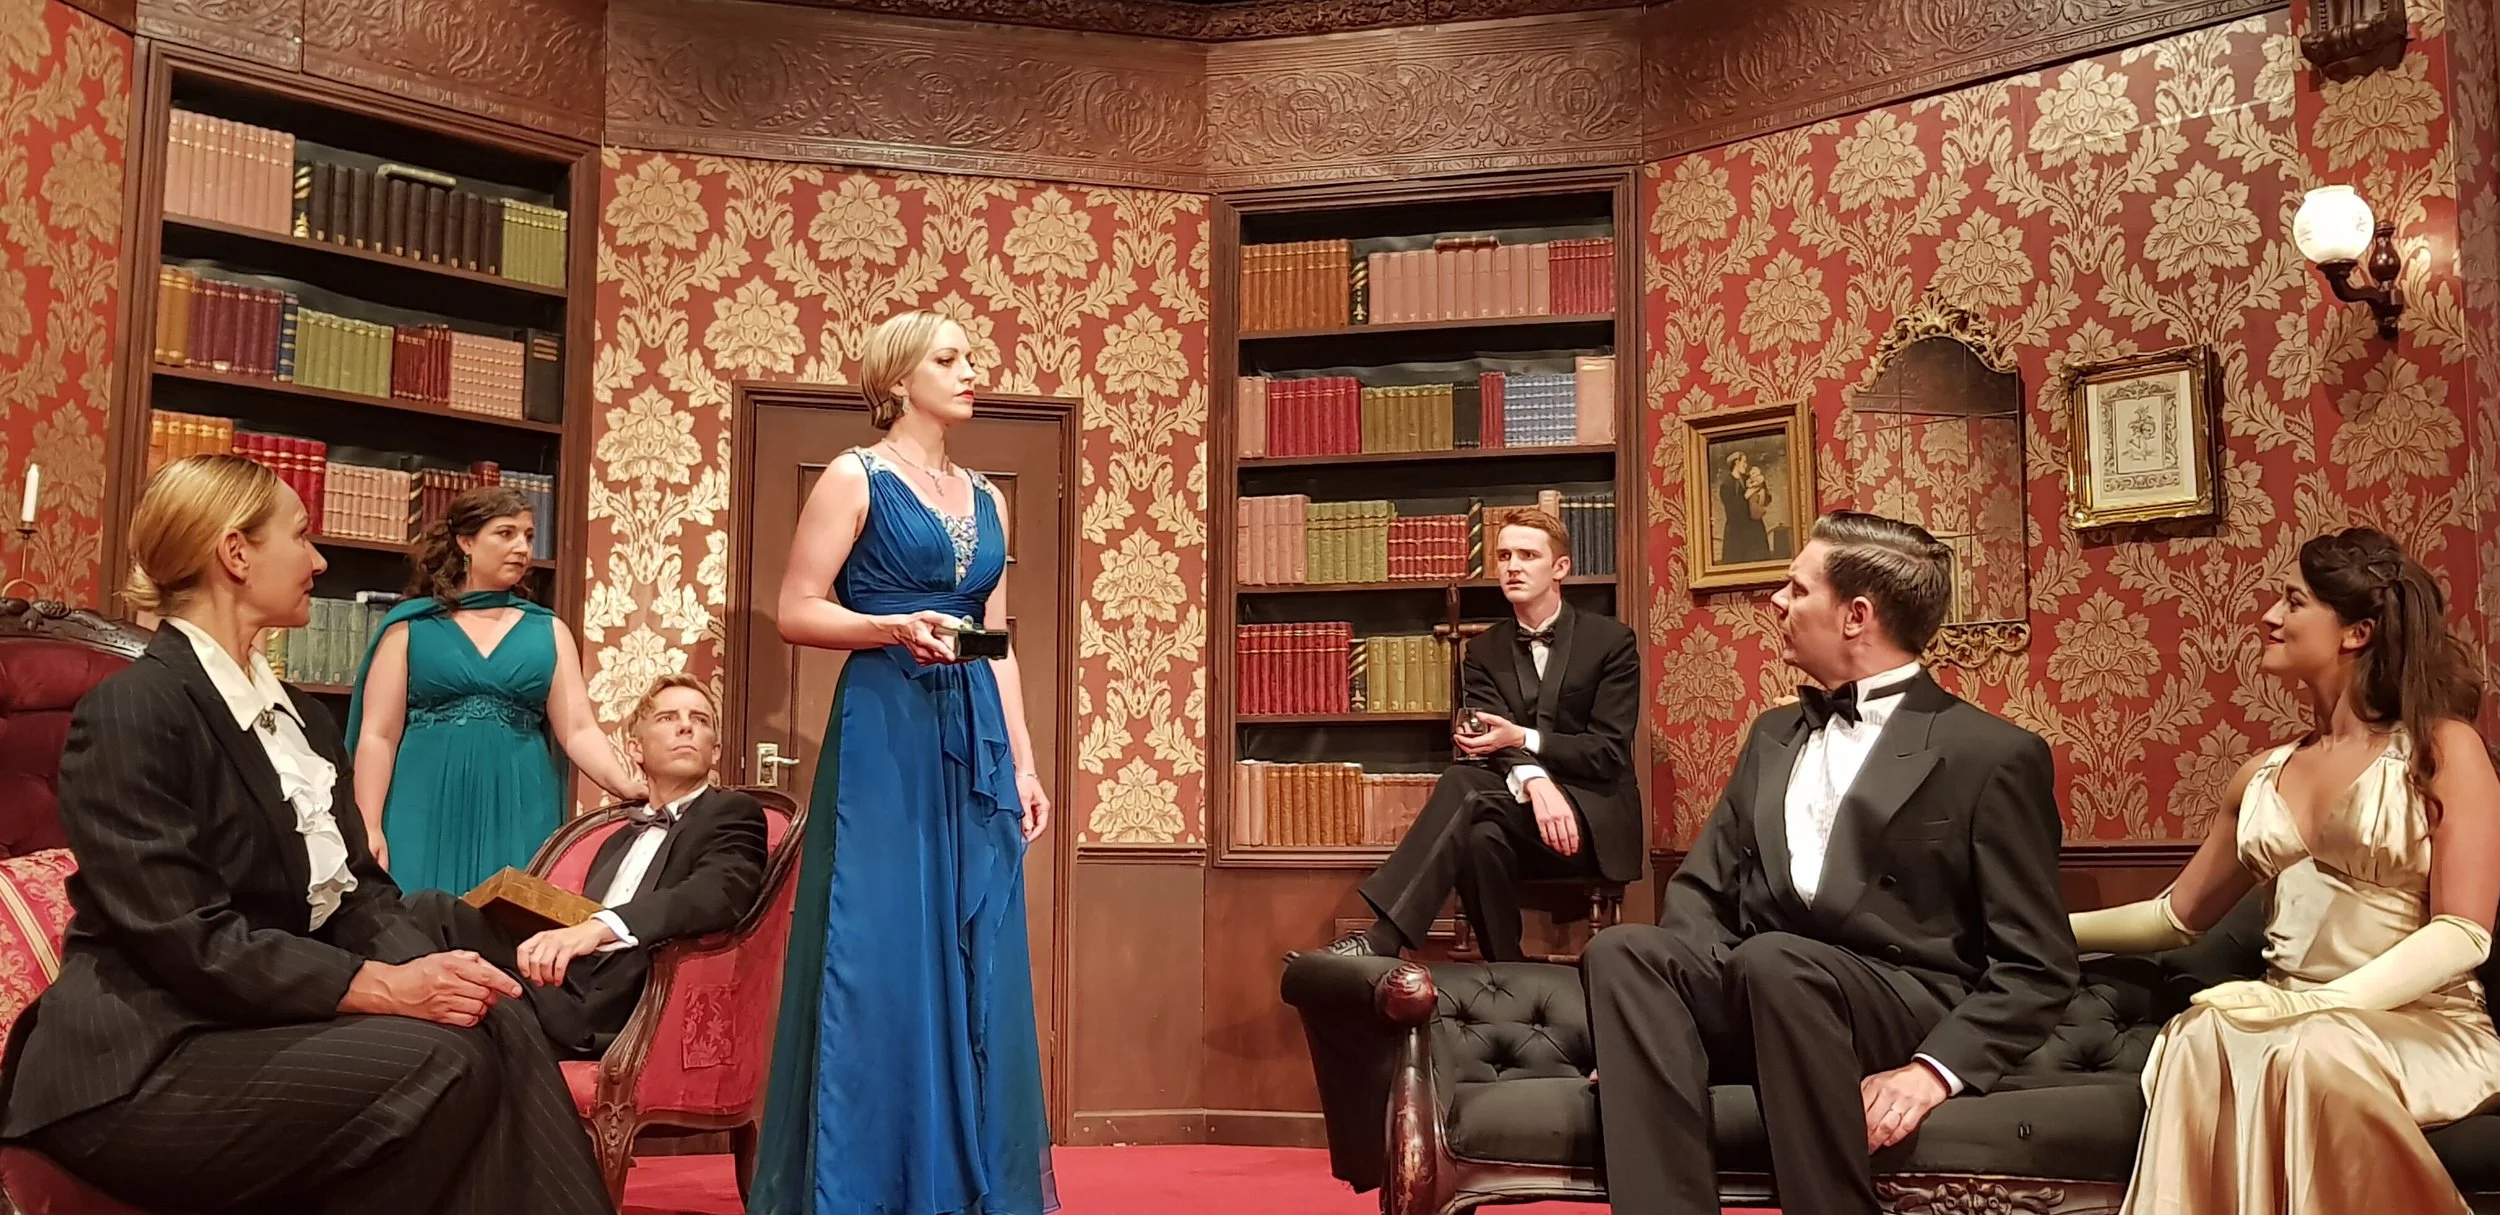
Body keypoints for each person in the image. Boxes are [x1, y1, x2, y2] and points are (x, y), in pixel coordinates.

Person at [0, 454, 609, 1214]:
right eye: (301, 536)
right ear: (235, 553)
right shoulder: (135, 709)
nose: (318, 560)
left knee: (489, 1013)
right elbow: (186, 936)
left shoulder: (303, 719)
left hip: (257, 1025)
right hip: (140, 1060)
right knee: (444, 1058)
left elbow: (362, 897)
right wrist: (382, 986)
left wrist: (438, 975)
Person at [1584, 510, 2076, 1215]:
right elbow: (1700, 890)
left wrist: (1934, 1071)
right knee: (1623, 951)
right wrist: (1655, 1029)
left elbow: (2038, 965)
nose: (1776, 601)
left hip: (1896, 1004)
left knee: (1776, 961)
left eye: (1797, 588)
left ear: (1857, 615)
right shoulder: (1773, 734)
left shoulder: (1991, 755)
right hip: (1763, 987)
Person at [2073, 528, 2500, 1215]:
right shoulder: (2259, 775)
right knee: (2202, 1033)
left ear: (2357, 632)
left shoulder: (2443, 749)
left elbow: (2463, 933)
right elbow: (2175, 917)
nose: (2269, 616)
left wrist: (2314, 1006)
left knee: (2312, 1052)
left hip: (2419, 1025)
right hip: (2287, 1021)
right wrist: (2048, 927)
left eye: (2293, 602)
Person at [750, 309, 1057, 1215]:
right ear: (897, 379)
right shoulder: (855, 476)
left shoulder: (989, 496)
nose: (972, 370)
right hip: (885, 726)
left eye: (970, 357)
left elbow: (997, 641)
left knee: (972, 947)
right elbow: (795, 608)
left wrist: (1026, 765)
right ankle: (868, 1183)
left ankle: (961, 1180)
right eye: (949, 358)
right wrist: (889, 626)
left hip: (974, 735)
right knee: (880, 945)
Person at [1327, 510, 1642, 962]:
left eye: (1528, 555)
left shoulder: (1612, 642)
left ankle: (1383, 938)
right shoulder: (1483, 651)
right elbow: (1487, 740)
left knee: (1463, 783)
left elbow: (1607, 752)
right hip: (1522, 814)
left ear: (1560, 568)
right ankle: (1507, 971)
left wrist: (1523, 739)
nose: (1513, 566)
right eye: (1505, 555)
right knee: (1478, 839)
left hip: (1592, 823)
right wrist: (1537, 783)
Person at [423, 673, 769, 1059]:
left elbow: (718, 892)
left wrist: (599, 928)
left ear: (715, 751)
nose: (686, 726)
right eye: (668, 717)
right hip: (559, 985)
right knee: (431, 911)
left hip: (610, 1009)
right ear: (635, 748)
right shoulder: (615, 840)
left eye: (699, 720)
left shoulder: (733, 812)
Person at [347, 484, 646, 894]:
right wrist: (367, 824)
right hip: (422, 801)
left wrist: (622, 784)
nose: (522, 547)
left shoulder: (549, 631)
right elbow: (378, 734)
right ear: (466, 542)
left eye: (528, 536)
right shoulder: (411, 626)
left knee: (512, 918)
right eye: (506, 533)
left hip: (520, 800)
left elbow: (578, 729)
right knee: (415, 916)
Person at [1719, 450, 1772, 564]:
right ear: (1736, 462)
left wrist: (1762, 488)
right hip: (1737, 534)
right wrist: (1746, 496)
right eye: (1744, 462)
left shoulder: (1748, 479)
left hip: (1754, 530)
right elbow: (1732, 511)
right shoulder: (1726, 485)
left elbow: (1766, 499)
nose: (1746, 465)